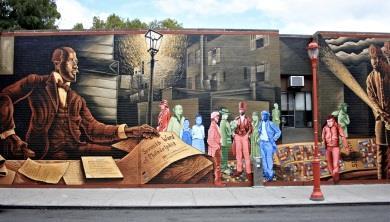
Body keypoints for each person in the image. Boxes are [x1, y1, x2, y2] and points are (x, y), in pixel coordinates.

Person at [0, 47, 158, 160]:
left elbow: (94, 129)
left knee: (123, 153)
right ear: (57, 62)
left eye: (77, 61)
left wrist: (130, 131)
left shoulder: (76, 99)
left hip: (77, 148)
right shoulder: (36, 82)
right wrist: (9, 134)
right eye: (71, 61)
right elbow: (5, 96)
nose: (76, 66)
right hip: (46, 152)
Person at [366, 44, 390, 179]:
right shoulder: (370, 78)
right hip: (381, 120)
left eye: (376, 59)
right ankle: (382, 179)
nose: (374, 62)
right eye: (372, 59)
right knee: (381, 152)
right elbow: (372, 100)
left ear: (382, 59)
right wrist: (382, 114)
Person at [321, 115, 349, 183]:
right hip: (328, 148)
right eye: (328, 121)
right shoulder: (325, 128)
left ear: (333, 121)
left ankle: (336, 178)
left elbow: (343, 137)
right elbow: (323, 138)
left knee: (335, 164)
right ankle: (334, 176)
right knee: (329, 164)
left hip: (335, 148)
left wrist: (346, 147)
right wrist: (323, 147)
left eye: (330, 121)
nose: (329, 123)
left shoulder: (337, 127)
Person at [232, 101, 253, 182]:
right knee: (238, 154)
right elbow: (233, 128)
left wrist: (248, 134)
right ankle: (239, 170)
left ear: (245, 110)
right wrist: (233, 133)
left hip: (245, 137)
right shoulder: (236, 119)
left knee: (246, 154)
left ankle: (248, 171)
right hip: (237, 137)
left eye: (242, 109)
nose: (241, 111)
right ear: (239, 110)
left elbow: (251, 128)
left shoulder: (248, 119)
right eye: (240, 109)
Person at [258, 111, 281, 182]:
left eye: (264, 115)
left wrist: (274, 138)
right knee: (263, 159)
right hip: (262, 143)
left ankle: (270, 174)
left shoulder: (271, 124)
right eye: (262, 115)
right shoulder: (260, 123)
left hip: (269, 143)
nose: (262, 116)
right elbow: (259, 131)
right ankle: (266, 173)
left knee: (268, 159)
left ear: (267, 116)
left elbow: (278, 131)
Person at [207, 111, 223, 186]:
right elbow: (209, 140)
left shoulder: (216, 126)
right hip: (215, 150)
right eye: (217, 116)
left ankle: (218, 181)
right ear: (213, 118)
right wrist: (217, 146)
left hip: (216, 149)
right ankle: (217, 182)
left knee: (217, 166)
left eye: (218, 117)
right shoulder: (212, 127)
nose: (218, 118)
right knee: (217, 166)